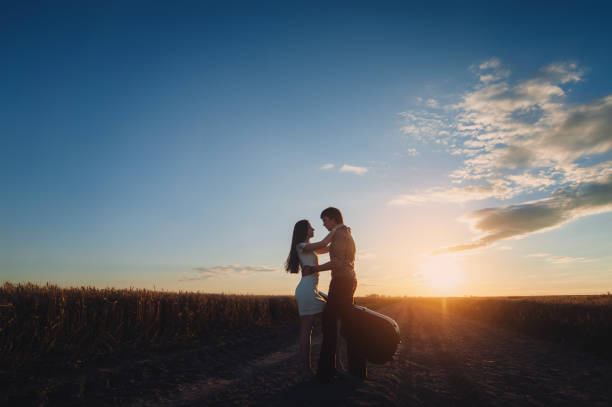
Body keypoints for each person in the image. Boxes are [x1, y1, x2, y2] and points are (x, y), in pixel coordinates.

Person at [302, 207, 367, 383]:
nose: (323, 224)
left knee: (330, 324)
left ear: (332, 219)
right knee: (346, 325)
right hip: (348, 280)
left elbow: (337, 262)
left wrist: (314, 268)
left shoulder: (339, 234)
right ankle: (356, 370)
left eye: (324, 220)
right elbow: (325, 249)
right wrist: (308, 248)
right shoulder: (345, 233)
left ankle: (326, 372)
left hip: (341, 282)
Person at [285, 219, 342, 376]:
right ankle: (309, 369)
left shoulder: (309, 249)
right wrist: (337, 228)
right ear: (304, 230)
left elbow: (327, 247)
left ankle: (329, 365)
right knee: (307, 330)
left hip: (311, 290)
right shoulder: (301, 246)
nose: (313, 229)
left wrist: (343, 239)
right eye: (311, 227)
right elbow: (323, 242)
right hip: (307, 291)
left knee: (326, 324)